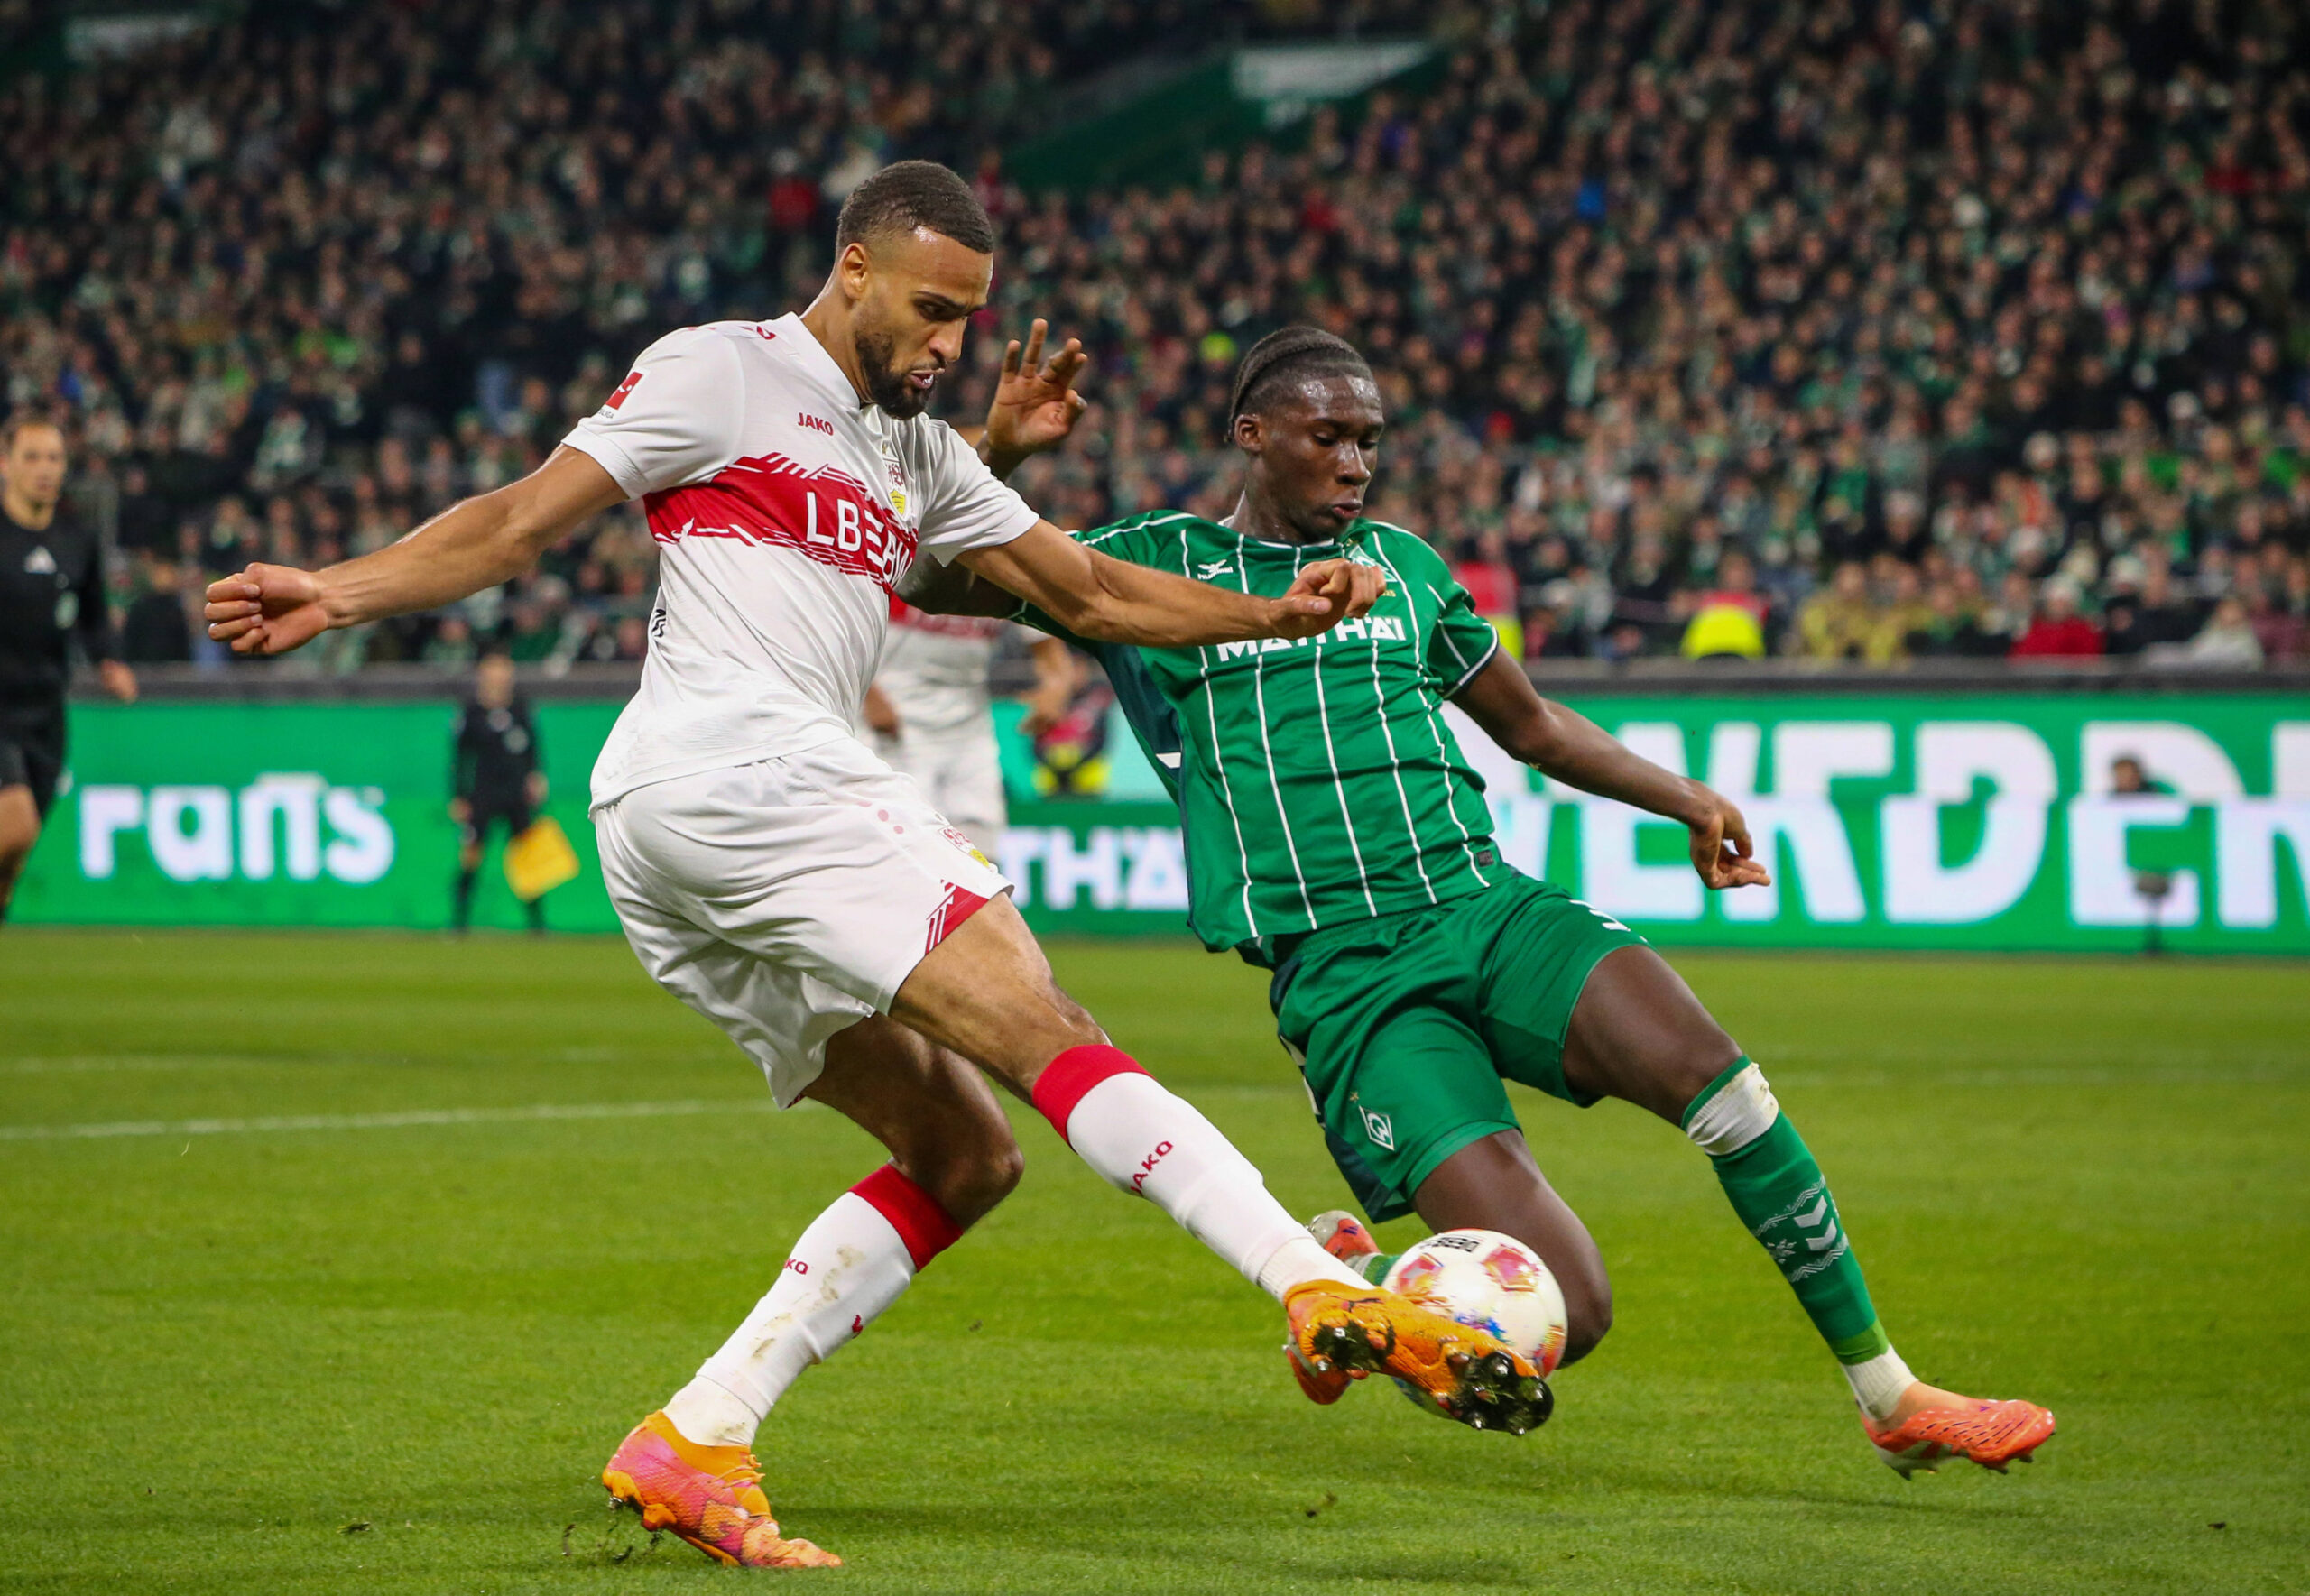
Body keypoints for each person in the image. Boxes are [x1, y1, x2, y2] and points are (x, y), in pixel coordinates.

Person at [205, 163, 1541, 1570]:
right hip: (745, 770)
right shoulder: (721, 371)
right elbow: (526, 518)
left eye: (968, 317)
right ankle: (1318, 1283)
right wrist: (340, 586)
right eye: (930, 310)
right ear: (851, 270)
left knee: (965, 1155)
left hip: (678, 839)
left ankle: (701, 1433)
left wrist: (1270, 604)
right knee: (1048, 1027)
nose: (952, 343)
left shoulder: (921, 454)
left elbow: (1090, 591)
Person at [902, 326, 2056, 1479]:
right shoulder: (1145, 563)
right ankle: (1348, 1296)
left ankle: (1890, 1393)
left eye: (1369, 441)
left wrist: (1685, 798)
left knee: (1729, 1090)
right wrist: (999, 447)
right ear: (1252, 436)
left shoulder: (1406, 566)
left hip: (1484, 905)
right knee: (1563, 1315)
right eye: (1329, 437)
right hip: (1351, 977)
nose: (1355, 463)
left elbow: (1534, 725)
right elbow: (920, 573)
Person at [0, 415, 136, 922]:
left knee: (16, 849)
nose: (45, 469)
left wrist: (110, 660)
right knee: (15, 828)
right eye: (32, 457)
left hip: (46, 712)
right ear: (5, 463)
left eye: (54, 458)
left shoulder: (76, 539)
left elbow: (95, 614)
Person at [861, 585, 1079, 858]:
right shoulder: (906, 561)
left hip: (970, 729)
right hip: (893, 725)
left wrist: (1054, 691)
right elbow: (842, 632)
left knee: (984, 854)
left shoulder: (1003, 571)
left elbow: (1051, 654)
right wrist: (867, 693)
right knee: (904, 849)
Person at [450, 650, 550, 934]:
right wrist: (459, 795)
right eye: (493, 669)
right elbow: (460, 758)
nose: (499, 675)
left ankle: (537, 925)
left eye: (504, 669)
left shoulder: (520, 708)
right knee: (472, 855)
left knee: (527, 858)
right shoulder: (471, 712)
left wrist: (536, 778)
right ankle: (459, 922)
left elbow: (533, 749)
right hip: (483, 794)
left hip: (516, 793)